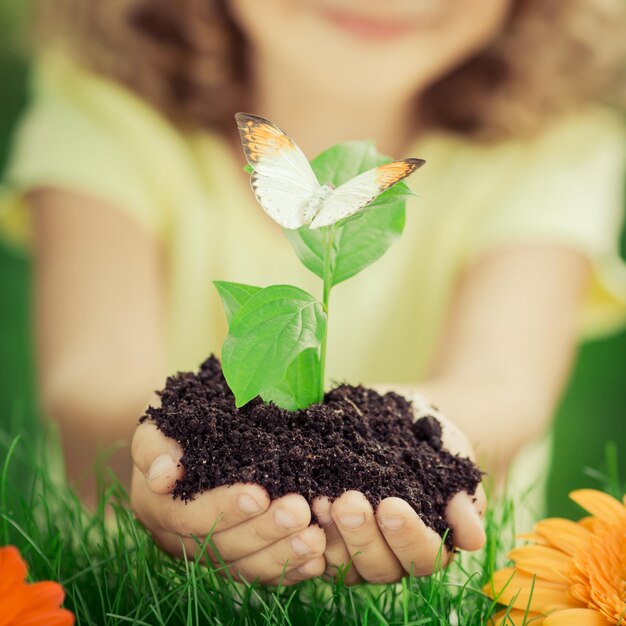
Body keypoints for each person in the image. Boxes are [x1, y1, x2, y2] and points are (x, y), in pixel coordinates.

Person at [1, 0, 625, 586]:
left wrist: (412, 449)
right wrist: (171, 457)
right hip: (125, 593)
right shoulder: (110, 113)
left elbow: (504, 384)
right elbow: (90, 379)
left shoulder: (548, 149)